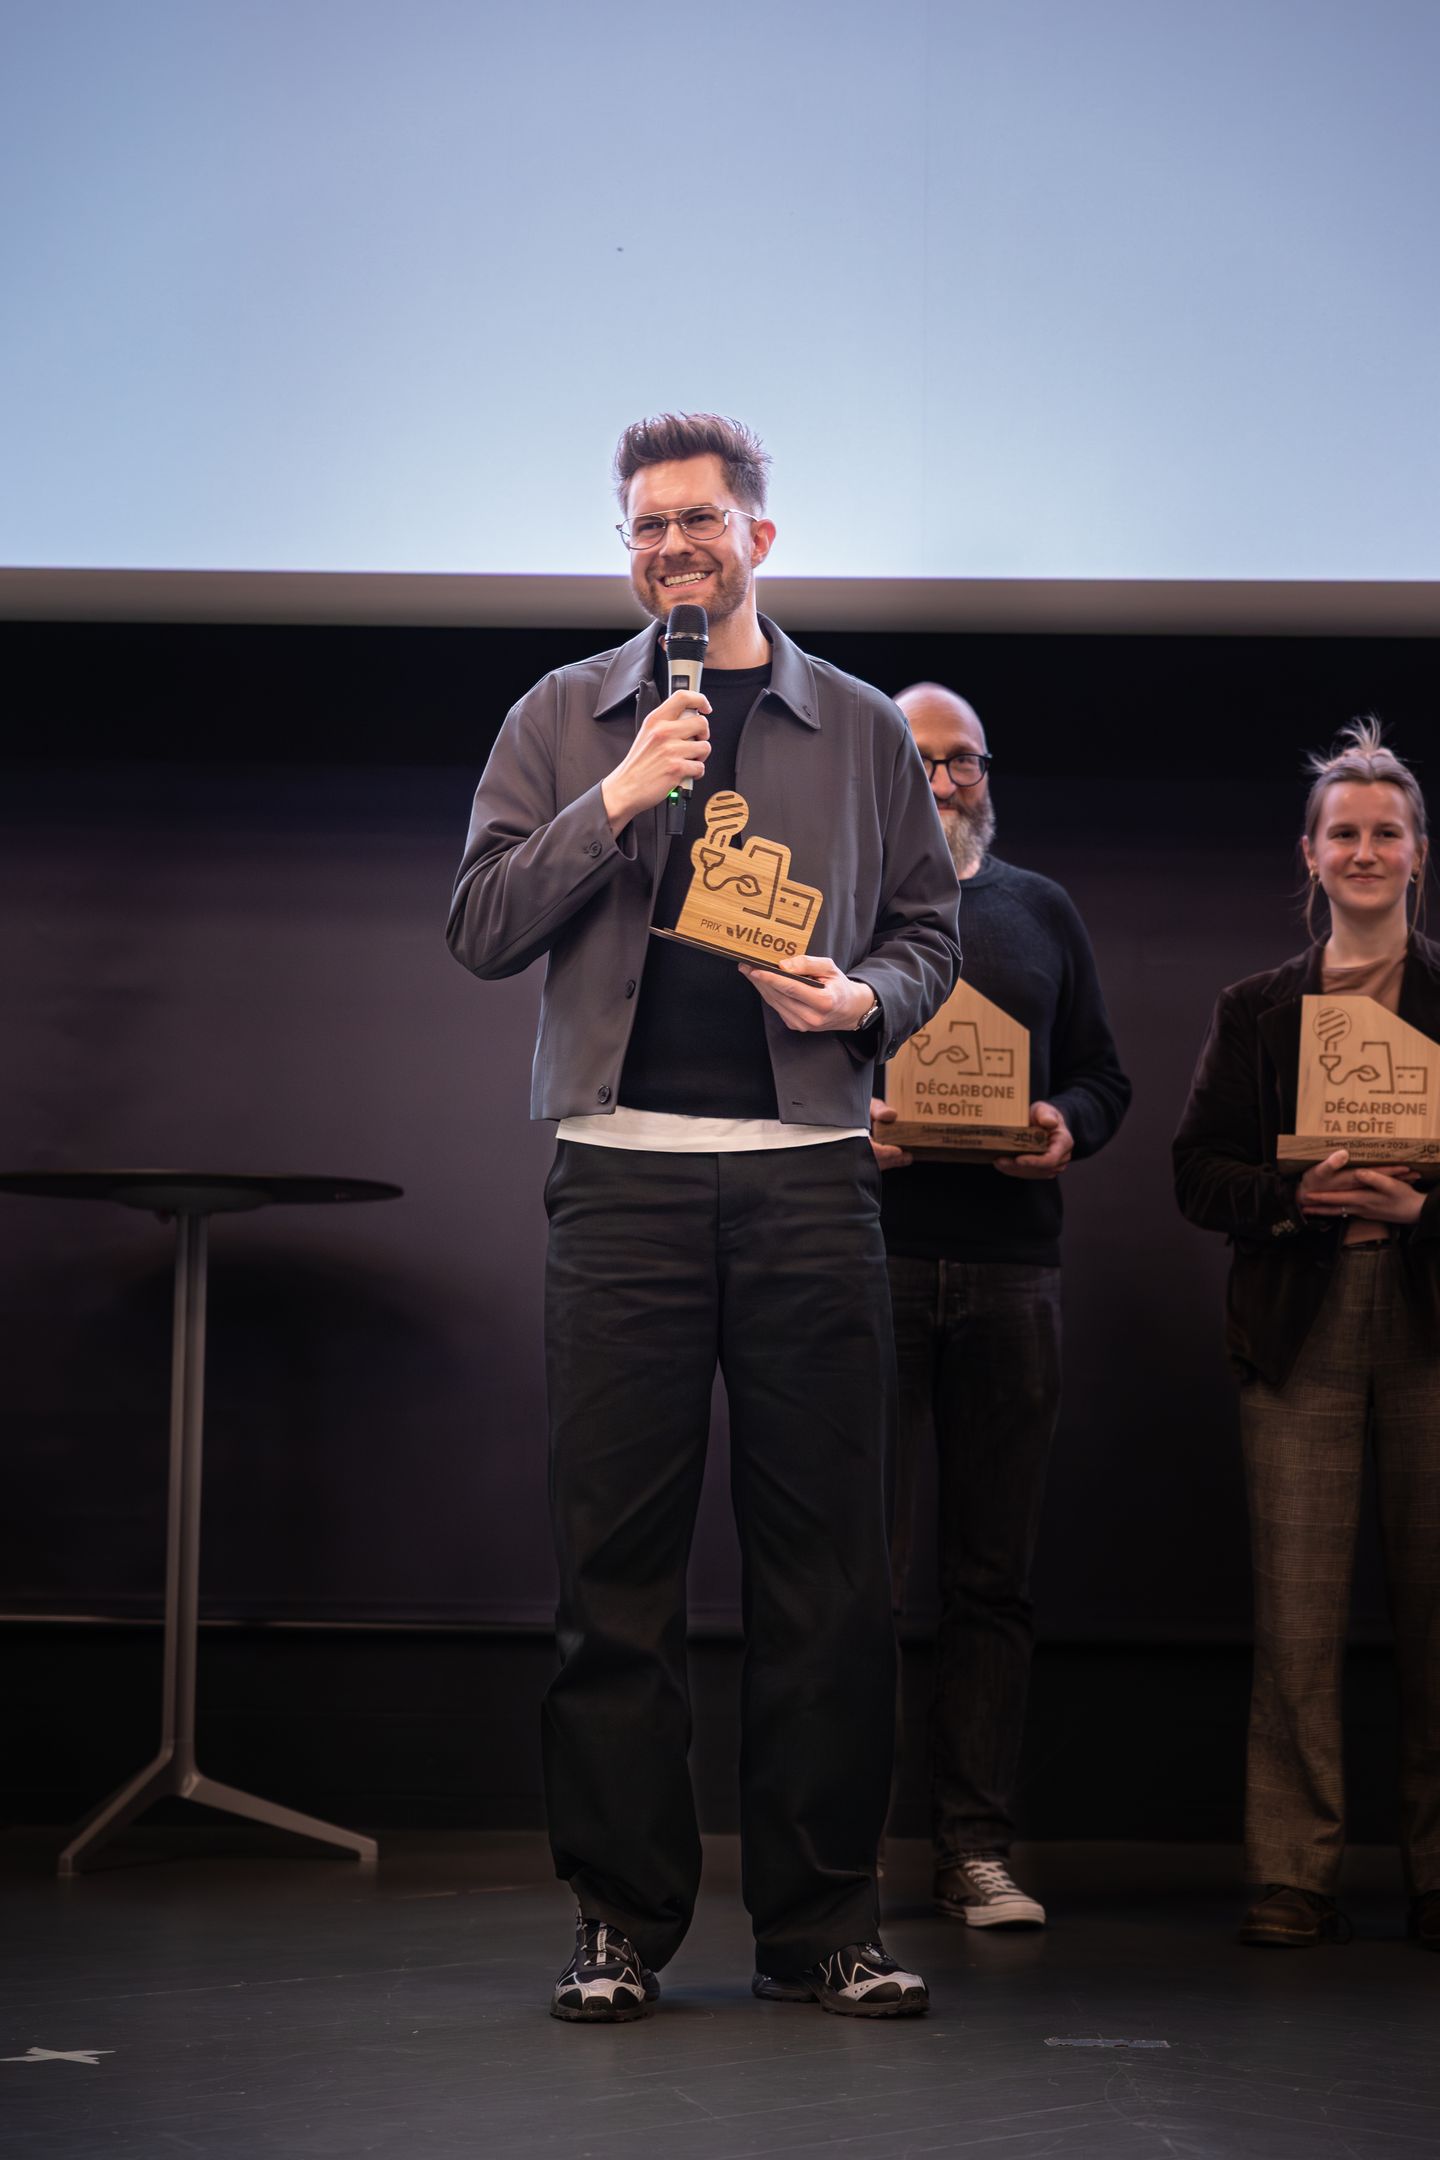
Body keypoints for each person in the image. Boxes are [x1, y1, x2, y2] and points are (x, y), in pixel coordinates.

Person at [447, 414, 961, 2020]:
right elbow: (476, 924)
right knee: (615, 1579)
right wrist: (613, 799)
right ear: (630, 550)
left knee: (830, 1579)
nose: (673, 546)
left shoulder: (865, 727)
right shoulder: (562, 717)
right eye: (645, 526)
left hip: (809, 1181)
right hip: (620, 1179)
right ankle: (619, 1921)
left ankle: (823, 1928)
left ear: (761, 536)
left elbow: (931, 935)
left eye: (700, 520)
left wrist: (861, 1000)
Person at [1174, 718, 1440, 1950]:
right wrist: (1298, 1198)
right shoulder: (1258, 1011)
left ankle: (1437, 1870)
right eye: (1348, 833)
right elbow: (1198, 1176)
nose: (1367, 849)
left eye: (1388, 832)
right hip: (1301, 1324)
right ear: (1312, 853)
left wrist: (1421, 1208)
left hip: (1433, 1317)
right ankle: (1295, 1872)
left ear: (1419, 854)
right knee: (1296, 1614)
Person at [871, 683, 1130, 1928]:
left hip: (1014, 1276)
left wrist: (1066, 1126)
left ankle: (973, 1847)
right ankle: (837, 1852)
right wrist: (849, 1125)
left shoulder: (1041, 910)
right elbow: (783, 1065)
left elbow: (1104, 1077)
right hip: (865, 1264)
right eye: (920, 762)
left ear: (987, 775)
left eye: (961, 761)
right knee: (850, 1575)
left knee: (992, 1580)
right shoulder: (844, 901)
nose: (943, 781)